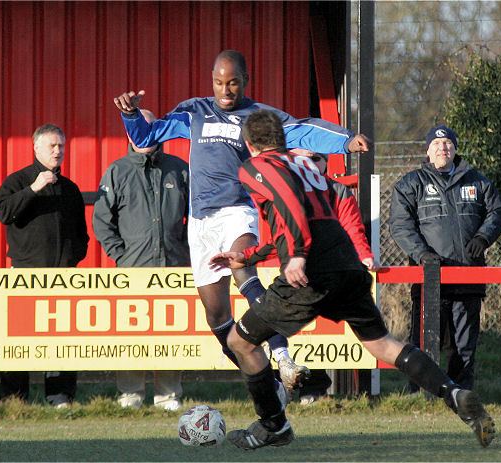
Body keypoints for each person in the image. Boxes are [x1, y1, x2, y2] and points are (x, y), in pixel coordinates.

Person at [208, 110, 495, 449]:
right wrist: (251, 256)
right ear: (284, 139)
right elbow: (311, 219)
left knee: (241, 342)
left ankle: (274, 425)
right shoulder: (303, 167)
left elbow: (290, 205)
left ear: (248, 144)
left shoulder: (259, 166)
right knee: (383, 345)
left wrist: (297, 253)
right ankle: (455, 394)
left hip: (312, 273)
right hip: (347, 265)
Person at [112, 50, 371, 390]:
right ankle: (269, 383)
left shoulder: (256, 118)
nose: (225, 91)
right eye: (219, 83)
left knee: (243, 271)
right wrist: (131, 115)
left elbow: (300, 129)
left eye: (232, 83)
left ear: (245, 81)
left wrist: (345, 140)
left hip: (237, 210)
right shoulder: (194, 111)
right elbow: (146, 137)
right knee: (217, 317)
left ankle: (284, 358)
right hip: (201, 222)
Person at [389, 125, 501, 391]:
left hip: (468, 277)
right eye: (437, 145)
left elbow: (497, 213)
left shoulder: (477, 181)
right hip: (429, 279)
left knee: (463, 344)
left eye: (447, 144)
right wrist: (423, 255)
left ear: (454, 149)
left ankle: (461, 394)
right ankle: (419, 392)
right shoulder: (411, 184)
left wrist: (483, 238)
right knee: (422, 341)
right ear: (428, 151)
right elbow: (400, 225)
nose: (443, 148)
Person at [92, 109, 188, 411]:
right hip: (133, 270)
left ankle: (168, 395)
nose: (144, 134)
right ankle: (130, 394)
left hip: (174, 268)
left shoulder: (179, 169)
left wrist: (186, 250)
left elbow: (198, 218)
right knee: (132, 334)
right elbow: (102, 221)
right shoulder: (117, 171)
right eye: (138, 127)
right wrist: (122, 255)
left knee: (171, 332)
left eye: (150, 127)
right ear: (129, 132)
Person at [0, 124, 89, 408]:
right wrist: (34, 188)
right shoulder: (18, 180)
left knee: (62, 340)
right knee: (18, 340)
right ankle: (14, 400)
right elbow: (3, 212)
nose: (58, 151)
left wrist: (72, 258)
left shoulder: (69, 188)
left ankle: (59, 397)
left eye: (61, 146)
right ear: (35, 148)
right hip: (25, 276)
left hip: (63, 277)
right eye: (52, 146)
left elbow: (81, 233)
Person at [289, 148, 379, 404]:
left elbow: (353, 227)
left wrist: (364, 255)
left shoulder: (338, 191)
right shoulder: (284, 190)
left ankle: (313, 391)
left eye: (315, 159)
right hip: (290, 269)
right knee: (281, 332)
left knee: (318, 333)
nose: (309, 164)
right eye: (301, 159)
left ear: (325, 164)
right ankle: (279, 390)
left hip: (327, 270)